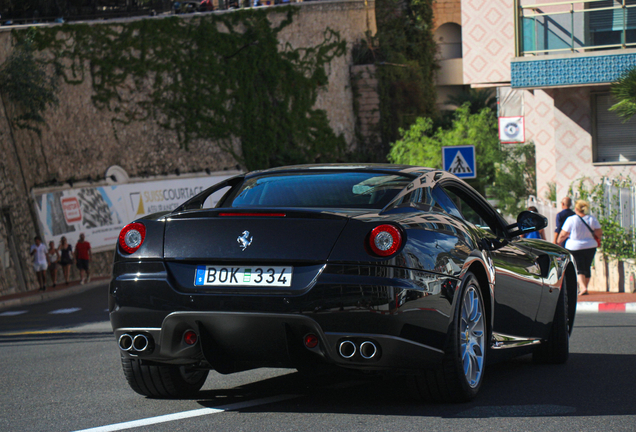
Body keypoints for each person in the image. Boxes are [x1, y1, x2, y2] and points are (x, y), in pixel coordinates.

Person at [557, 200, 602, 296]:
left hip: (574, 246)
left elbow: (564, 233)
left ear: (576, 209)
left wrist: (558, 241)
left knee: (579, 267)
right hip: (590, 246)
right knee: (587, 266)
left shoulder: (571, 219)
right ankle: (585, 286)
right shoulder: (592, 219)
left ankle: (583, 287)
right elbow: (599, 232)